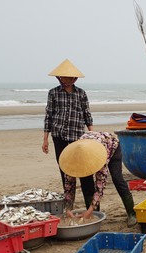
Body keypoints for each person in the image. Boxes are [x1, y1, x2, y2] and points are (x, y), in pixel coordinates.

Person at [42, 59, 96, 206]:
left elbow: (87, 115)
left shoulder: (81, 94)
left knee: (85, 170)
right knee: (65, 171)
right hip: (59, 136)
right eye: (61, 77)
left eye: (66, 77)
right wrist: (45, 139)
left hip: (78, 137)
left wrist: (92, 135)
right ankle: (69, 204)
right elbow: (49, 115)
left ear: (74, 79)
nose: (63, 80)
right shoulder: (53, 93)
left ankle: (92, 205)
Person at [58, 131, 137, 227]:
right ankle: (94, 214)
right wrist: (68, 209)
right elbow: (69, 187)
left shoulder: (100, 158)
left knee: (117, 179)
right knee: (86, 184)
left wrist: (89, 210)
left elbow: (100, 186)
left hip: (111, 145)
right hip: (87, 145)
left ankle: (132, 213)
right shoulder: (71, 161)